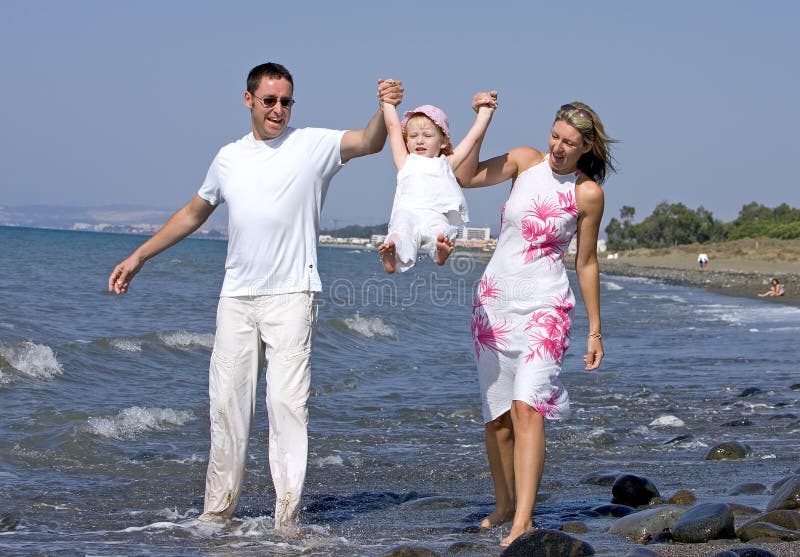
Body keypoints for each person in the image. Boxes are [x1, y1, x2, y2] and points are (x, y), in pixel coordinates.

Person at [107, 63, 403, 533]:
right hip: (237, 299)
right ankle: (217, 513)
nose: (279, 110)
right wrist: (141, 255)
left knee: (287, 407)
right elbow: (193, 212)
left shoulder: (311, 145)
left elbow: (369, 141)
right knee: (227, 407)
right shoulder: (228, 158)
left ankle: (286, 517)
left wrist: (384, 107)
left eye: (286, 101)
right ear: (249, 100)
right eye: (270, 100)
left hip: (291, 295)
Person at [456, 99, 616, 547]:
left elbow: (586, 262)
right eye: (555, 137)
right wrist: (483, 120)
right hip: (494, 306)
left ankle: (523, 519)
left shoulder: (587, 193)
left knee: (528, 406)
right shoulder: (525, 162)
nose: (559, 148)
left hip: (547, 308)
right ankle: (504, 505)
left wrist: (595, 329)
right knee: (498, 418)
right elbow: (463, 176)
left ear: (586, 147)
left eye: (569, 143)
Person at [378, 91, 498, 273]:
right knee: (401, 230)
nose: (419, 140)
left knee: (439, 232)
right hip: (407, 213)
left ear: (443, 141)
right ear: (406, 142)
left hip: (435, 214)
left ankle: (440, 253)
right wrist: (388, 103)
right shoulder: (405, 160)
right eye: (413, 136)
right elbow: (393, 127)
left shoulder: (446, 163)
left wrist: (485, 112)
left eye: (427, 135)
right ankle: (391, 258)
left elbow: (472, 139)